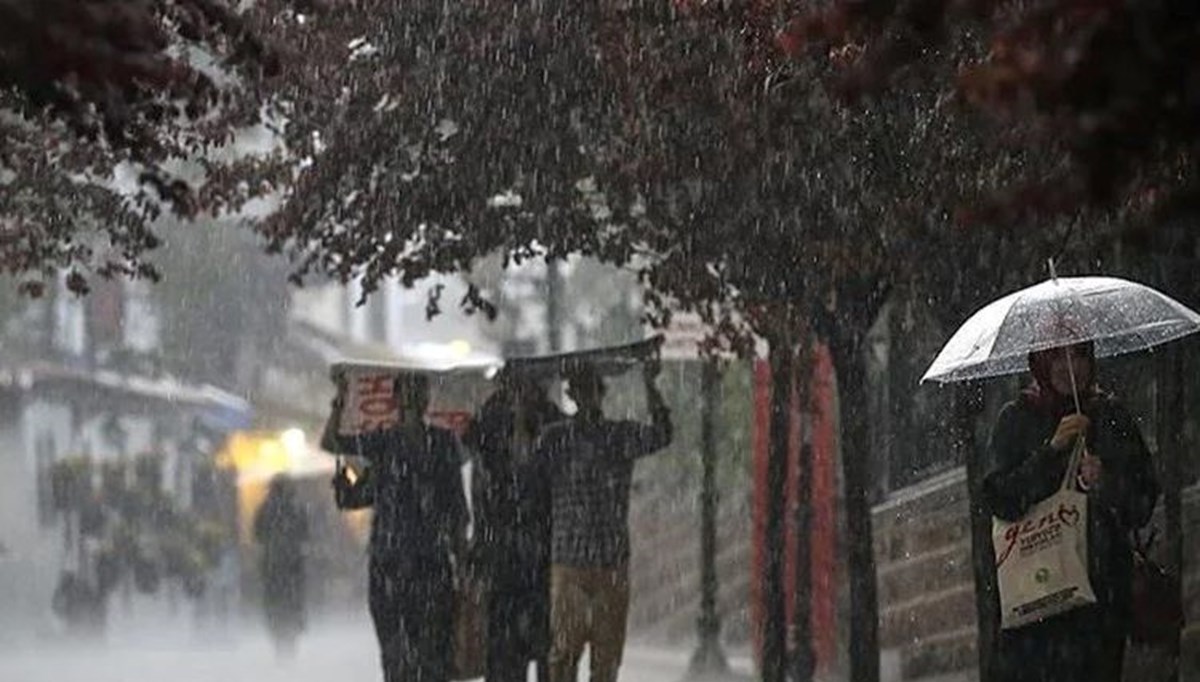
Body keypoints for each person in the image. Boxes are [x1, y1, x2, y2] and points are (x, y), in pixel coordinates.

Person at [982, 341, 1159, 682]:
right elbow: (1001, 498)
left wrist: (1106, 481)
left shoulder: (1110, 415)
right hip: (1037, 605)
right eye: (1057, 356)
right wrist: (1052, 453)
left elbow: (1142, 502)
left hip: (1101, 602)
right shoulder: (1017, 418)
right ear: (1040, 362)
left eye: (1078, 354)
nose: (1069, 366)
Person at [324, 374, 468, 682]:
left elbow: (456, 507)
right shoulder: (384, 442)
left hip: (430, 563)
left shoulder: (442, 443)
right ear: (398, 399)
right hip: (390, 565)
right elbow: (333, 442)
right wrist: (340, 399)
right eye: (410, 391)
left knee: (433, 657)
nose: (416, 398)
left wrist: (462, 558)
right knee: (396, 657)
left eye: (420, 391)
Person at [537, 360, 672, 682]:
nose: (586, 398)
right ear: (573, 395)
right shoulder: (555, 438)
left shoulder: (617, 435)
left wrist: (651, 385)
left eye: (590, 390)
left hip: (607, 561)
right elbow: (524, 466)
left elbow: (662, 434)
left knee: (606, 658)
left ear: (600, 393)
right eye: (579, 390)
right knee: (564, 654)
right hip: (571, 560)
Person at [465, 371, 564, 682]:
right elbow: (484, 483)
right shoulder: (490, 420)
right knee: (508, 657)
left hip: (541, 557)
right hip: (506, 559)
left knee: (549, 654)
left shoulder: (551, 421)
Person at [253, 475, 310, 658]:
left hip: (272, 566)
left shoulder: (265, 509)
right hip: (293, 565)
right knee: (293, 602)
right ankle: (290, 640)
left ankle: (279, 640)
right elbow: (305, 534)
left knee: (275, 604)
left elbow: (257, 534)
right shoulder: (297, 508)